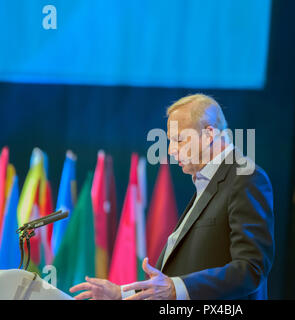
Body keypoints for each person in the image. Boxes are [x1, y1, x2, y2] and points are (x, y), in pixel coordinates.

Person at [70, 94, 275, 300]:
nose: (170, 150)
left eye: (178, 139)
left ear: (209, 135)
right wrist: (120, 294)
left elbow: (251, 268)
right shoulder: (208, 181)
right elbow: (176, 276)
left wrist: (175, 289)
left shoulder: (246, 177)